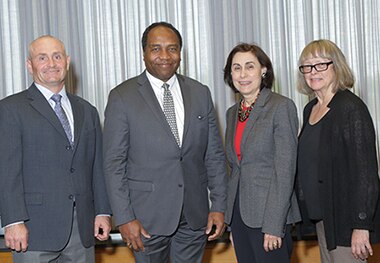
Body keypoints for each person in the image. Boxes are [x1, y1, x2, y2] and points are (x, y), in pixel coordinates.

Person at [103, 22, 227, 263]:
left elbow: (214, 155)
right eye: (156, 49)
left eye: (172, 49)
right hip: (145, 220)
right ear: (144, 53)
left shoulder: (200, 93)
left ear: (180, 53)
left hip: (194, 216)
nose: (164, 56)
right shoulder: (122, 97)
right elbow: (113, 163)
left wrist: (219, 205)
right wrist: (125, 217)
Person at [0, 35, 112, 263]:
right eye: (42, 58)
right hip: (33, 230)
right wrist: (13, 221)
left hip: (81, 230)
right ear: (29, 65)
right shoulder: (10, 109)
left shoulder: (87, 111)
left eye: (57, 56)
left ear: (67, 62)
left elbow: (96, 166)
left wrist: (102, 211)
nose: (51, 64)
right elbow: (6, 170)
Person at [296, 39, 380, 262]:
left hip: (347, 223)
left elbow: (366, 173)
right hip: (324, 220)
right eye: (307, 66)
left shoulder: (350, 108)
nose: (313, 71)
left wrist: (361, 226)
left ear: (337, 66)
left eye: (321, 64)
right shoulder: (309, 110)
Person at [223, 43, 301, 263]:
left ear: (263, 70)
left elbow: (284, 171)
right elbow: (235, 169)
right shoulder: (232, 113)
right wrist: (232, 222)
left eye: (250, 66)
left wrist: (274, 226)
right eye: (236, 68)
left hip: (269, 219)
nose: (243, 74)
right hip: (240, 217)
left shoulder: (280, 107)